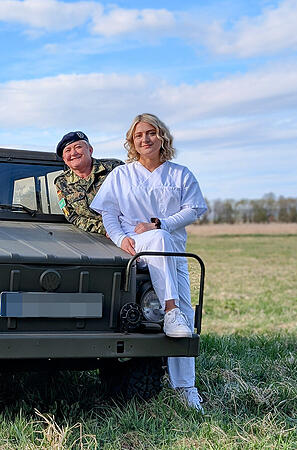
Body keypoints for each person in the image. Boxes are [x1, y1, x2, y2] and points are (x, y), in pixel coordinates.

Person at [89, 113, 208, 412]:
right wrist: (120, 239)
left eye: (151, 133)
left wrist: (162, 224)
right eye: (139, 135)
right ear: (132, 141)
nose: (146, 139)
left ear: (162, 137)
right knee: (175, 310)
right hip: (136, 246)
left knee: (184, 323)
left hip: (173, 253)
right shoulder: (122, 175)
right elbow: (109, 213)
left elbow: (194, 208)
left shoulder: (180, 174)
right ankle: (169, 311)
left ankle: (186, 388)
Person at [53, 131, 122, 234]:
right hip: (96, 236)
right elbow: (73, 216)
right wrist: (105, 228)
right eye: (68, 150)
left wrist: (118, 227)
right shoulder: (62, 182)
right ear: (64, 159)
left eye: (78, 147)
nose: (73, 153)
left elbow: (136, 199)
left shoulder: (114, 168)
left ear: (90, 150)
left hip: (128, 228)